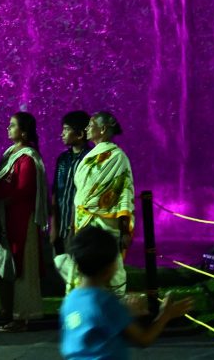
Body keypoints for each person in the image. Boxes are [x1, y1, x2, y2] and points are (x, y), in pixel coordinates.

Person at [60, 227, 193, 359]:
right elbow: (143, 339)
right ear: (110, 267)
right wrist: (165, 315)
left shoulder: (70, 300)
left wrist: (126, 314)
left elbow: (95, 331)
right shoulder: (105, 302)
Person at [61, 111, 135, 296]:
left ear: (102, 129)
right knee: (84, 265)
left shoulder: (118, 157)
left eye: (91, 125)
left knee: (109, 264)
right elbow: (81, 193)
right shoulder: (90, 156)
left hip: (106, 223)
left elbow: (125, 193)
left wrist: (125, 230)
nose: (87, 128)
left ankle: (114, 305)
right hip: (83, 222)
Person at [0, 111, 49, 332]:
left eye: (13, 125)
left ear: (24, 132)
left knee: (23, 266)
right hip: (8, 218)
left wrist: (2, 201)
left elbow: (24, 189)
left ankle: (22, 316)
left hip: (22, 219)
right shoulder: (10, 153)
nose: (8, 128)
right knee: (9, 263)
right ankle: (8, 311)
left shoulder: (28, 157)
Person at [51, 111, 92, 256]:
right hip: (61, 227)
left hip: (81, 227)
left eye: (66, 129)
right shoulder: (62, 159)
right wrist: (53, 226)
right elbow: (55, 192)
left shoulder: (91, 158)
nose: (62, 134)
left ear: (80, 134)